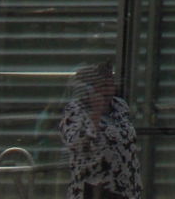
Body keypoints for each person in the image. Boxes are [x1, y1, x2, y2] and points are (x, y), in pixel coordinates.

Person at [59, 62, 142, 199]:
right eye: (103, 86)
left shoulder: (120, 106)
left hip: (125, 186)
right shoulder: (75, 110)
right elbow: (76, 143)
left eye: (111, 85)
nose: (108, 91)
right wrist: (95, 116)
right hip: (94, 188)